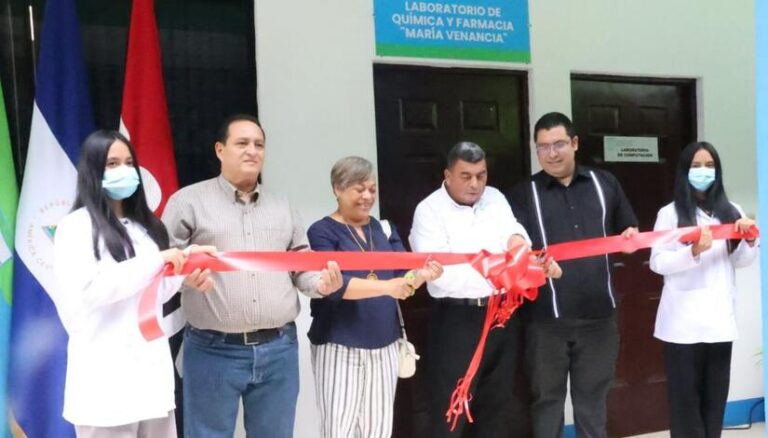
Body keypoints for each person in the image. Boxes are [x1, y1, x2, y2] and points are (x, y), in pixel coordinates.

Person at [161, 115, 343, 438]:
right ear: (220, 150)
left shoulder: (282, 206)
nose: (252, 151)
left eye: (259, 145)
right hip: (213, 350)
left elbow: (300, 262)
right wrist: (186, 276)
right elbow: (164, 266)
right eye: (242, 143)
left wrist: (319, 283)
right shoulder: (188, 202)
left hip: (279, 349)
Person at [51, 130, 214, 437]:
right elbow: (90, 291)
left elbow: (153, 293)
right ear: (92, 170)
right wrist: (156, 261)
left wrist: (185, 268)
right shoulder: (75, 227)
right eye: (112, 163)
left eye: (128, 162)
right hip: (105, 384)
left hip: (151, 379)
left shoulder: (147, 226)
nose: (123, 171)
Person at [410, 141, 561, 437]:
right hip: (457, 319)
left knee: (498, 402)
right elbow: (443, 276)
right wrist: (503, 273)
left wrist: (519, 246)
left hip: (501, 317)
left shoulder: (494, 198)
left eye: (481, 175)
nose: (475, 184)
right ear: (448, 175)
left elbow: (513, 232)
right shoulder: (428, 210)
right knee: (451, 406)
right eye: (466, 176)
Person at [507, 112, 638, 438]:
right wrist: (536, 264)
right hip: (544, 322)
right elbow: (514, 254)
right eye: (543, 147)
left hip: (599, 319)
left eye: (559, 144)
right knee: (546, 402)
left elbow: (629, 232)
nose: (551, 153)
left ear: (575, 143)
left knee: (592, 404)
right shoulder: (524, 194)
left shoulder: (604, 183)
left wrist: (632, 239)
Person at [306, 156, 443, 438]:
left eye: (372, 188)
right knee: (338, 429)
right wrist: (387, 287)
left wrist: (423, 275)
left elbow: (405, 277)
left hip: (385, 345)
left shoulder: (385, 228)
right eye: (359, 189)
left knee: (377, 430)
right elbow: (337, 285)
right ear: (337, 189)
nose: (367, 196)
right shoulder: (321, 231)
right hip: (338, 345)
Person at [649, 141, 757, 438]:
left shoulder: (731, 210)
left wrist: (749, 242)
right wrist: (692, 252)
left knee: (714, 402)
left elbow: (740, 261)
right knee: (685, 405)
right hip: (682, 327)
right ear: (684, 171)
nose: (703, 171)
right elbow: (657, 262)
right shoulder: (669, 214)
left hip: (719, 324)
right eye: (696, 166)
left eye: (709, 166)